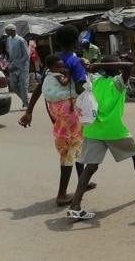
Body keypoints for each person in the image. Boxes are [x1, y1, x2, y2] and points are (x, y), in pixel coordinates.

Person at [65, 56, 135, 220]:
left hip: (94, 130)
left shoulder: (95, 80)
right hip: (114, 130)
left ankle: (75, 206)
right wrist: (98, 65)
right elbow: (128, 66)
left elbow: (82, 72)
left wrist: (92, 66)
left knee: (91, 167)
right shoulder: (118, 82)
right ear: (116, 69)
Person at [18, 25, 94, 206]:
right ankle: (61, 194)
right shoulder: (74, 62)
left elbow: (40, 86)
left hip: (56, 110)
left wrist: (29, 110)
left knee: (75, 144)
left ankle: (83, 181)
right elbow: (79, 87)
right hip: (70, 110)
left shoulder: (54, 60)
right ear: (76, 42)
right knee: (72, 146)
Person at [5, 23, 30, 110]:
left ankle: (26, 104)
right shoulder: (8, 40)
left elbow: (26, 55)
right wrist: (9, 64)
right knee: (13, 86)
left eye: (7, 31)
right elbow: (9, 52)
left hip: (22, 66)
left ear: (12, 30)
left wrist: (17, 65)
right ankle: (26, 100)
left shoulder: (21, 40)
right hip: (12, 65)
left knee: (23, 86)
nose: (6, 32)